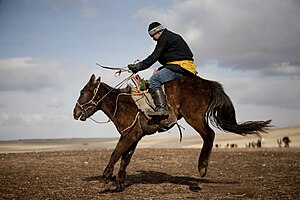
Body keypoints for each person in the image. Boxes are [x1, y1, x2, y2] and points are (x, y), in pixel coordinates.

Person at [128, 22, 197, 117]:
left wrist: (139, 66)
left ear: (158, 32)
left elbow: (154, 57)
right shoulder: (169, 36)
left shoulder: (164, 39)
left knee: (154, 80)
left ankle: (162, 109)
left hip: (180, 67)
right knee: (157, 72)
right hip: (181, 66)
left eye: (152, 36)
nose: (152, 38)